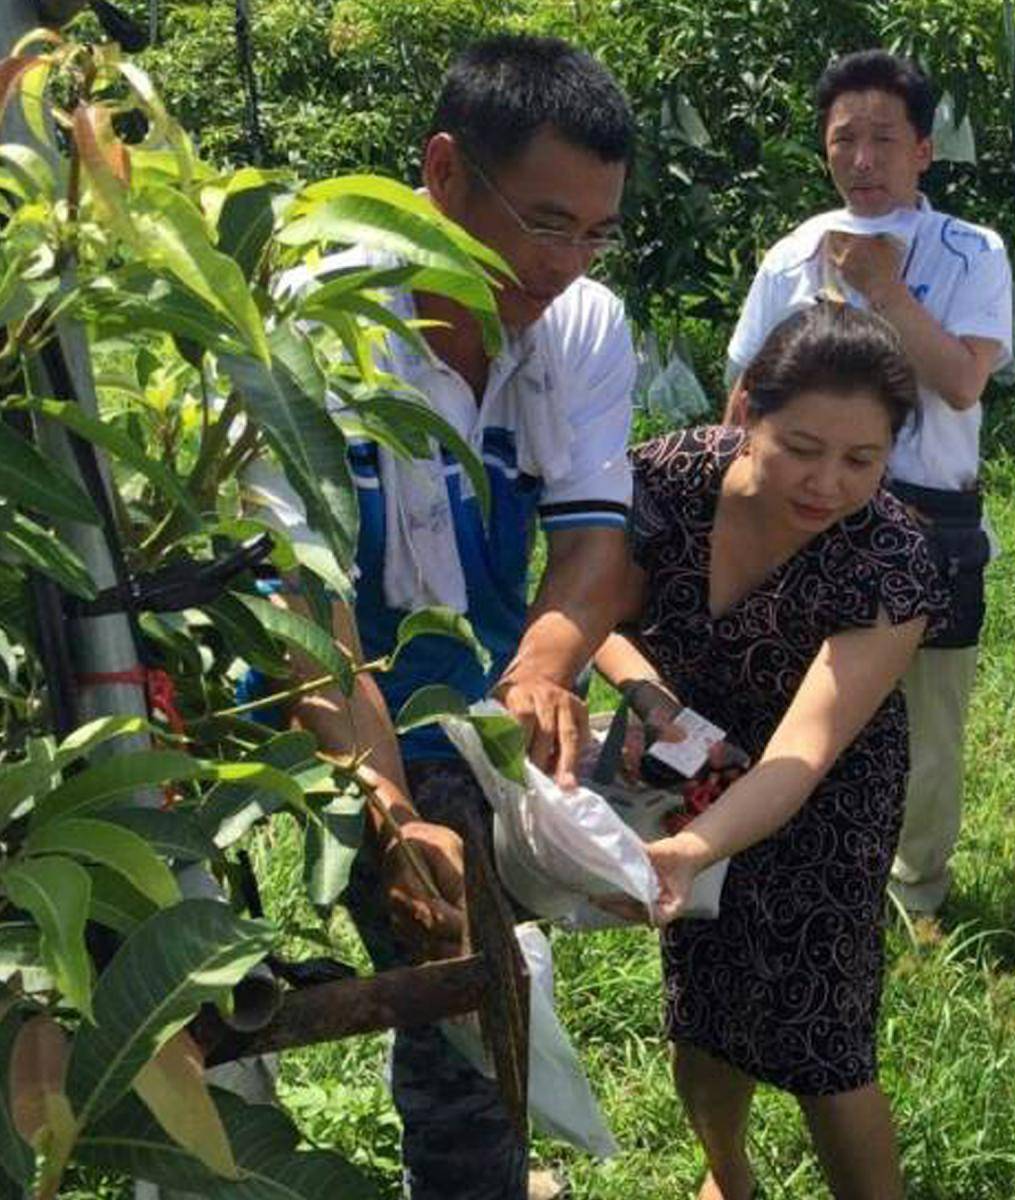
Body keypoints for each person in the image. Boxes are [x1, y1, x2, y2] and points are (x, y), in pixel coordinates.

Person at [253, 35, 638, 1200]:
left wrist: (543, 663)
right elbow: (300, 613)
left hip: (462, 702)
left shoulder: (579, 327)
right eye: (543, 222)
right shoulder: (309, 324)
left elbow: (590, 547)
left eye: (595, 232)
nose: (566, 262)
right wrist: (381, 802)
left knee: (476, 995)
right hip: (307, 702)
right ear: (442, 173)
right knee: (456, 983)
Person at [591, 302, 944, 1200]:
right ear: (745, 411)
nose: (826, 482)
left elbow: (806, 750)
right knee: (703, 1015)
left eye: (861, 460)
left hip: (827, 803)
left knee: (826, 1045)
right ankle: (729, 1181)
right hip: (688, 766)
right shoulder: (663, 480)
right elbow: (593, 611)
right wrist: (649, 695)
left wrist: (691, 851)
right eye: (802, 445)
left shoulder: (891, 557)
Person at [725, 49, 1011, 919]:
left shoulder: (971, 252)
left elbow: (962, 381)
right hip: (803, 512)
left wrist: (884, 290)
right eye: (844, 138)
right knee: (797, 696)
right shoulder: (792, 254)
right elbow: (743, 392)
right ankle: (802, 863)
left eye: (883, 139)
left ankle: (915, 892)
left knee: (928, 722)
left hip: (929, 517)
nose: (862, 158)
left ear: (923, 150)